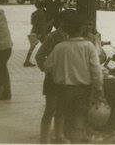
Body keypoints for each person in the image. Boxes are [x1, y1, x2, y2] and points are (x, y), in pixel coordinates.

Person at [44, 13, 103, 143]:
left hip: (63, 88)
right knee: (79, 116)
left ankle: (60, 137)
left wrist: (60, 71)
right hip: (83, 89)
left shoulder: (59, 47)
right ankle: (77, 138)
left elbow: (47, 66)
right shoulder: (89, 46)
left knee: (61, 113)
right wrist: (99, 88)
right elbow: (96, 70)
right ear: (82, 29)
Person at [35, 10, 74, 143]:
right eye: (68, 21)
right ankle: (44, 138)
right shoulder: (53, 37)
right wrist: (46, 69)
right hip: (53, 79)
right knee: (50, 109)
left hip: (67, 78)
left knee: (62, 109)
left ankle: (59, 136)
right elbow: (39, 55)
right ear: (62, 22)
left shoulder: (73, 36)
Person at [24, 1, 51, 67]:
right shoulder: (42, 13)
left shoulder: (34, 13)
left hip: (34, 31)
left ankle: (27, 61)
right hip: (40, 33)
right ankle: (50, 60)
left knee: (32, 47)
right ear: (42, 6)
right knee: (47, 46)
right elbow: (42, 25)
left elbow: (32, 23)